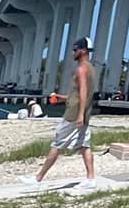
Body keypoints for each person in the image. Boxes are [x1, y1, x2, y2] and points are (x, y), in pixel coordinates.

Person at [35, 39, 96, 184]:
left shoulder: (81, 69)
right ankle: (91, 179)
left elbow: (83, 91)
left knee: (57, 144)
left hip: (74, 114)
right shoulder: (91, 68)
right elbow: (79, 94)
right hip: (85, 112)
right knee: (84, 145)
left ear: (83, 50)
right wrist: (61, 98)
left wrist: (79, 114)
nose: (73, 53)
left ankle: (38, 178)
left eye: (75, 50)